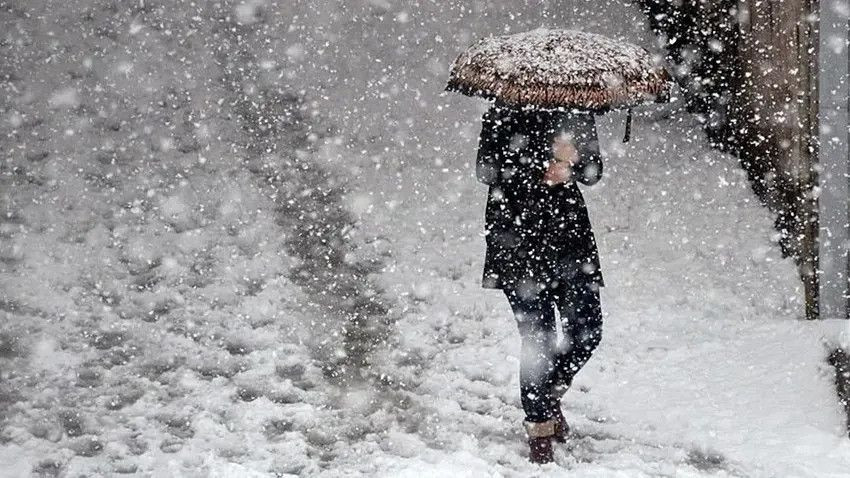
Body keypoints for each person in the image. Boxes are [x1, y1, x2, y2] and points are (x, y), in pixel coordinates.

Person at [475, 100, 604, 464]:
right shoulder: (502, 112)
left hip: (570, 240)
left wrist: (573, 164)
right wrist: (542, 162)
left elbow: (594, 171)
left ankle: (546, 397)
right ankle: (539, 430)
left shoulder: (576, 109)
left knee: (587, 329)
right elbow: (487, 171)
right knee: (539, 340)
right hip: (516, 238)